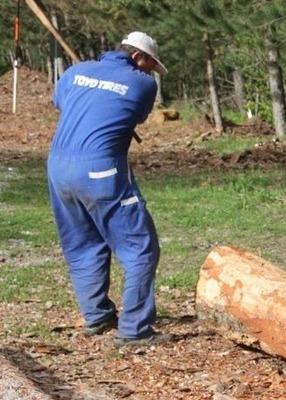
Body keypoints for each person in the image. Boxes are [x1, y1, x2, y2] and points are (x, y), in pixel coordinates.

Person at [47, 32, 170, 346]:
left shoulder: (75, 72)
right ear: (139, 57)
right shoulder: (143, 84)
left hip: (58, 167)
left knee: (82, 243)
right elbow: (134, 113)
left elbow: (60, 103)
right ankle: (135, 330)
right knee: (140, 246)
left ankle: (97, 316)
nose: (151, 73)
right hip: (100, 168)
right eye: (150, 66)